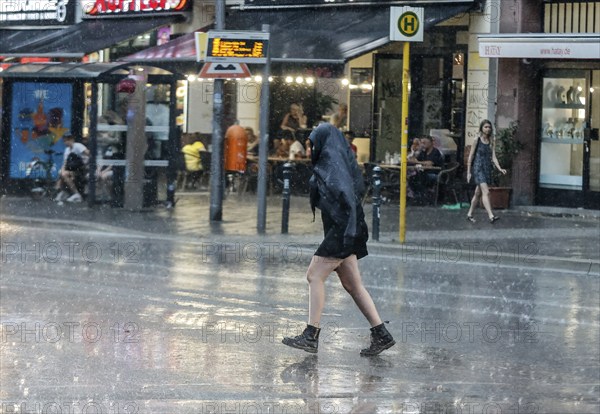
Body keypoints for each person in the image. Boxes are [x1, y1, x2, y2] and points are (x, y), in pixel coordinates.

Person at [282, 123, 395, 356]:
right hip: (347, 230)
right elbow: (352, 191)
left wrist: (349, 231)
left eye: (311, 142)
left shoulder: (332, 165)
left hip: (342, 231)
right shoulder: (338, 162)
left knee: (314, 275)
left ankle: (311, 335)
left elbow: (344, 194)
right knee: (353, 285)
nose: (310, 147)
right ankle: (381, 334)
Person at [466, 119, 506, 223]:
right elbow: (471, 156)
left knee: (477, 193)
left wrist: (499, 168)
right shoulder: (477, 139)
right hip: (478, 167)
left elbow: (493, 157)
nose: (487, 129)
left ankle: (470, 213)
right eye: (485, 127)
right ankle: (491, 215)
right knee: (486, 192)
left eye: (489, 127)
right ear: (481, 128)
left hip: (486, 167)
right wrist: (468, 172)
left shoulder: (491, 140)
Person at [55, 132, 89, 203]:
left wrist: (86, 161)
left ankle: (76, 194)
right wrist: (62, 170)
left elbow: (88, 153)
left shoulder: (78, 146)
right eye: (64, 140)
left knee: (65, 174)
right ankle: (63, 191)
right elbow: (64, 163)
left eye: (67, 140)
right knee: (62, 173)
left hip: (81, 169)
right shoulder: (67, 150)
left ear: (72, 139)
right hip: (72, 169)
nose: (66, 142)